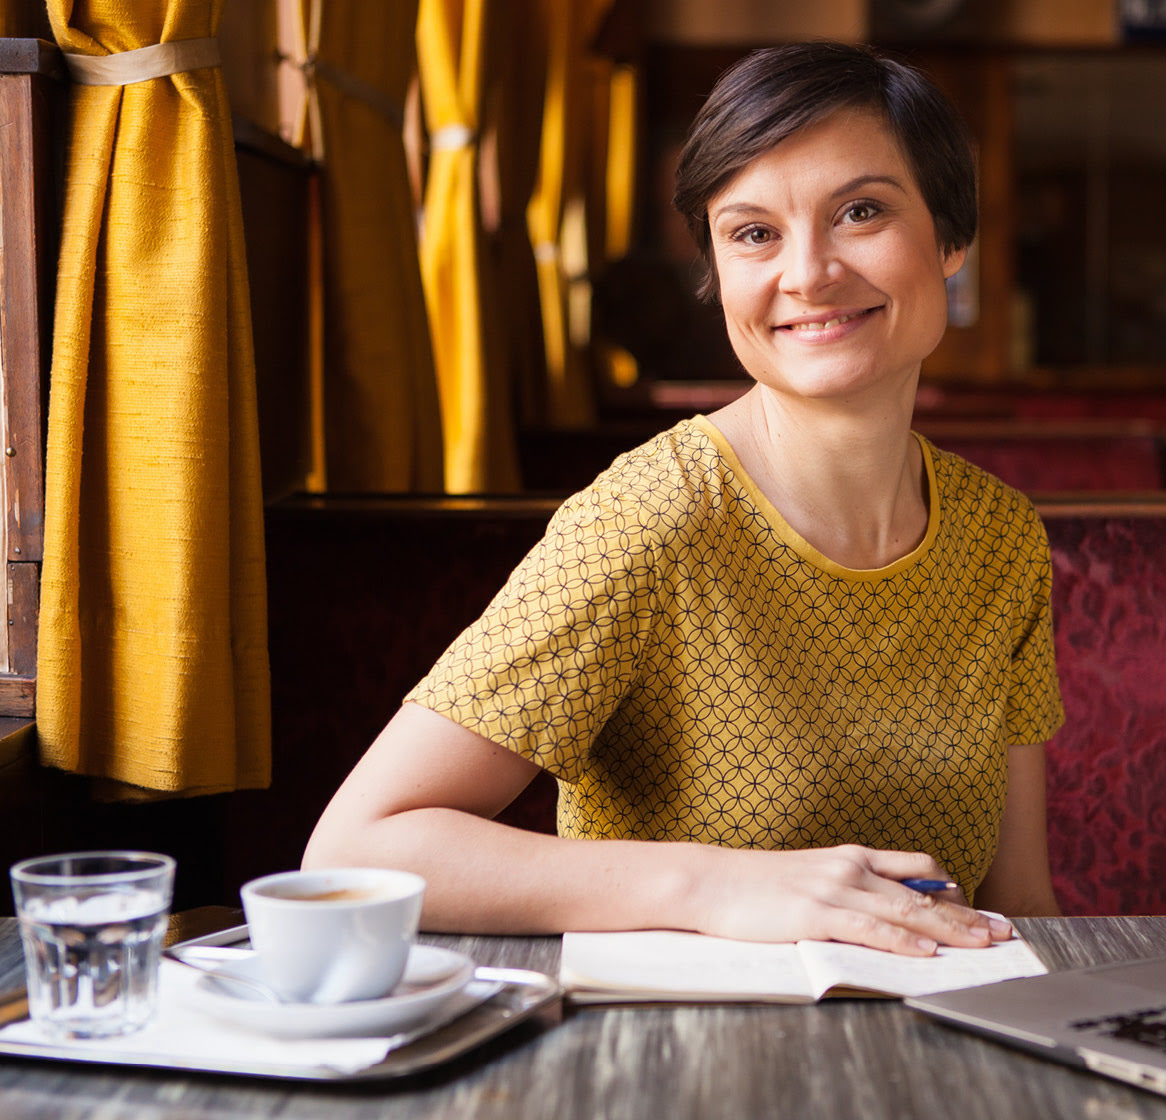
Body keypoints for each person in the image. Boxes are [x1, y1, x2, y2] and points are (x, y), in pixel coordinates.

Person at [304, 41, 1064, 955]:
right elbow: (354, 851)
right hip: (671, 1055)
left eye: (859, 212)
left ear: (952, 237)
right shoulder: (650, 517)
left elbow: (1021, 899)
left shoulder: (1000, 537)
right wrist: (712, 882)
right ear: (716, 268)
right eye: (753, 233)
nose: (808, 272)